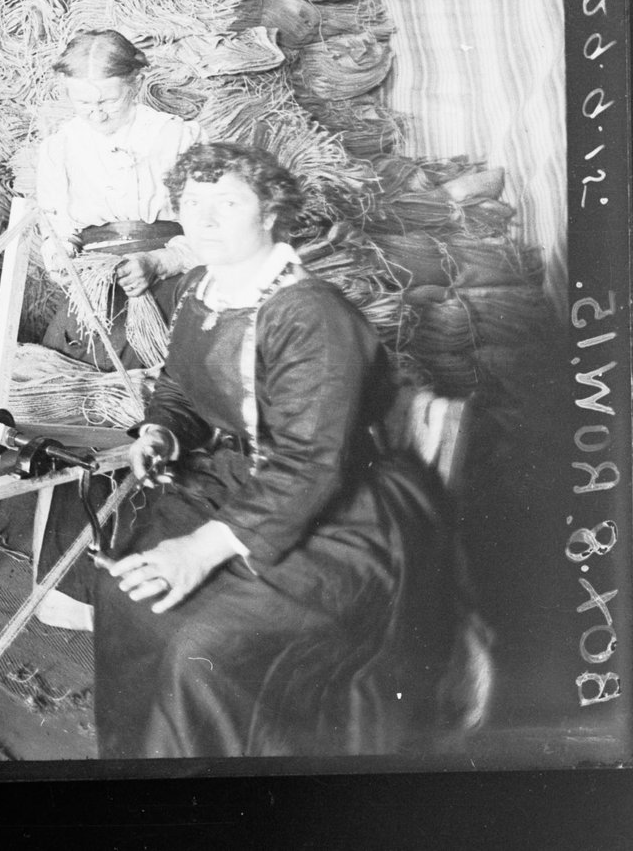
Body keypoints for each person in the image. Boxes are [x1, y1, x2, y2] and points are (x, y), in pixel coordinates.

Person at [94, 143, 460, 757]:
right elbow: (180, 385)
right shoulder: (199, 287)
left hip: (341, 514)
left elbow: (311, 464)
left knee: (200, 645)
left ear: (270, 213)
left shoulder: (310, 314)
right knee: (123, 593)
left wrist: (202, 548)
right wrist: (161, 429)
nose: (205, 220)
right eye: (192, 203)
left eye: (228, 203)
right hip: (234, 484)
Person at [34, 30, 205, 363]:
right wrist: (65, 263)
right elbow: (55, 229)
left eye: (108, 101)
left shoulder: (176, 136)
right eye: (83, 102)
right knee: (64, 361)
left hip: (170, 276)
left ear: (135, 85)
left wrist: (157, 262)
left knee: (158, 364)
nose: (97, 113)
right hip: (96, 285)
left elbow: (210, 231)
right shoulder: (60, 147)